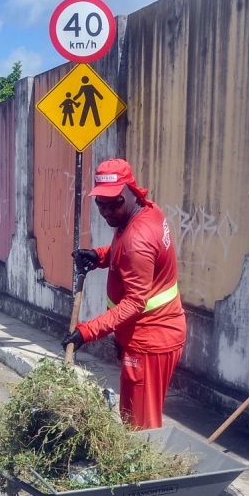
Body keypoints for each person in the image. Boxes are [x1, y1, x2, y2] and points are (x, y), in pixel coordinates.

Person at [61, 158, 186, 430]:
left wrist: (86, 332)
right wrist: (99, 255)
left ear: (130, 190)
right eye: (100, 204)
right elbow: (127, 254)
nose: (106, 211)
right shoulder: (145, 212)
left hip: (149, 341)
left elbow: (133, 302)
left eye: (114, 203)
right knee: (136, 417)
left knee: (139, 428)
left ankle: (148, 474)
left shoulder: (137, 239)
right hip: (150, 333)